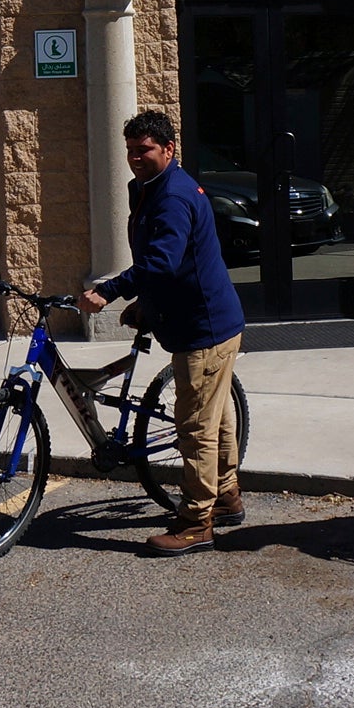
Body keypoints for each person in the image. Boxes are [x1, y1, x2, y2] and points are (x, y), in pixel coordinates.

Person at [78, 109, 246, 556]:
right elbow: (172, 265)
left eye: (145, 149)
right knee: (217, 417)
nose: (135, 157)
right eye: (131, 150)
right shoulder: (152, 188)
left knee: (196, 428)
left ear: (169, 149)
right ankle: (226, 497)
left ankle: (196, 523)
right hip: (201, 318)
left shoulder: (172, 195)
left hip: (203, 327)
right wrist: (146, 305)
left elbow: (162, 261)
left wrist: (109, 291)